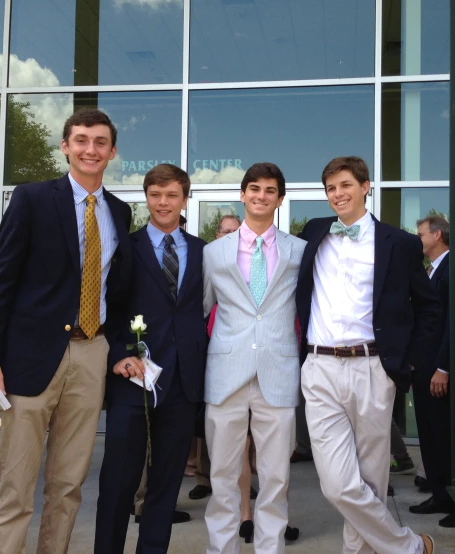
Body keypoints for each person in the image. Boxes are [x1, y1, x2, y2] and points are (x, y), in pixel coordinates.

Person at [0, 109, 133, 554]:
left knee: (68, 485)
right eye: (81, 140)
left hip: (90, 353)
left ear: (112, 152)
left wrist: (117, 346)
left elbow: (116, 296)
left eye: (100, 142)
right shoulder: (32, 198)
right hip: (29, 357)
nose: (90, 149)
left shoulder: (120, 212)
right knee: (17, 485)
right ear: (65, 146)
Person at [295, 156, 441, 554]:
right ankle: (409, 546)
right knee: (338, 483)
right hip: (319, 366)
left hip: (373, 368)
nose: (337, 194)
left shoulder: (402, 244)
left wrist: (407, 364)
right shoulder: (312, 233)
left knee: (372, 479)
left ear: (365, 186)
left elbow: (429, 308)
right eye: (330, 189)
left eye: (345, 185)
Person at [95, 163, 207, 554]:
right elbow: (104, 306)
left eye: (171, 195)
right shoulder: (125, 248)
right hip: (132, 379)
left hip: (182, 383)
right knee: (118, 483)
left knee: (165, 485)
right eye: (156, 195)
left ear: (184, 198)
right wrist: (118, 355)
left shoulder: (202, 251)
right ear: (146, 198)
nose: (163, 203)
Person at [203, 162, 306, 553]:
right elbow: (201, 310)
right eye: (254, 189)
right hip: (226, 373)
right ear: (243, 194)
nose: (261, 196)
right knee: (223, 476)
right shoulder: (213, 253)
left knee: (277, 478)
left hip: (278, 374)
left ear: (280, 199)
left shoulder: (300, 250)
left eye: (270, 190)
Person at [410, 215, 455, 527]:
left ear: (437, 234)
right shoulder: (431, 270)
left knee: (444, 436)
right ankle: (440, 494)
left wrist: (443, 367)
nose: (418, 240)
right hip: (424, 368)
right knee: (429, 435)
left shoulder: (452, 267)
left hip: (438, 371)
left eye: (420, 234)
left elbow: (450, 322)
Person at [189, 214, 242, 502]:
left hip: (240, 349)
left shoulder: (250, 258)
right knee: (207, 415)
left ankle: (241, 479)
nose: (231, 236)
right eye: (225, 232)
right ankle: (204, 477)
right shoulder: (206, 259)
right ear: (217, 235)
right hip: (208, 343)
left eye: (236, 231)